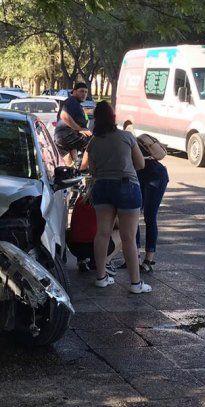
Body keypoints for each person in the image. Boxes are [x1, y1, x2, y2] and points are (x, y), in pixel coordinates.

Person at [81, 101, 150, 294]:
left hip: (102, 187)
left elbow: (92, 170)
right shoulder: (127, 137)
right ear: (113, 118)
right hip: (127, 186)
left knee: (102, 233)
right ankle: (135, 283)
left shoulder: (93, 142)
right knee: (128, 237)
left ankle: (101, 277)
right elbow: (141, 164)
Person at [133, 133, 169, 273]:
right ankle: (137, 258)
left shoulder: (127, 140)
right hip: (149, 174)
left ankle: (146, 259)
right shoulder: (129, 139)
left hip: (154, 175)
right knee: (136, 216)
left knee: (148, 216)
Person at [55, 82, 93, 167]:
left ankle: (76, 168)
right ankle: (84, 168)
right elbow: (64, 115)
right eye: (81, 91)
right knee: (93, 142)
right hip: (66, 136)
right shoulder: (72, 101)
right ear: (74, 91)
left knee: (71, 167)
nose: (84, 94)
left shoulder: (75, 103)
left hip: (63, 139)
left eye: (86, 92)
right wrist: (79, 129)